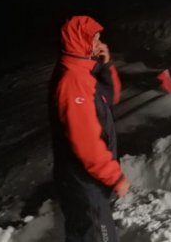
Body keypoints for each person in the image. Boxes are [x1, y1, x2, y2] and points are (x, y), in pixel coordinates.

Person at [49, 15, 130, 242]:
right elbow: (85, 140)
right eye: (94, 39)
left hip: (88, 181)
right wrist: (114, 176)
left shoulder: (83, 72)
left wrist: (106, 65)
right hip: (84, 182)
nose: (98, 43)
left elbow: (110, 97)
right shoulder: (73, 80)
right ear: (79, 41)